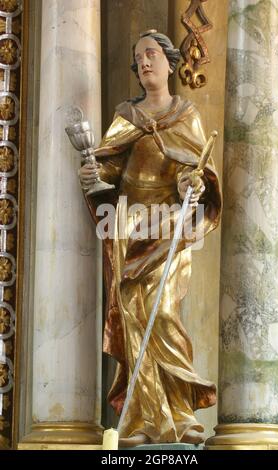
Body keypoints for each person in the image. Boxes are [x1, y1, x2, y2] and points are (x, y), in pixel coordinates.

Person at [79, 30, 222, 447]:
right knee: (133, 317)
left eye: (152, 55)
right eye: (138, 57)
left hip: (169, 227)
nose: (144, 63)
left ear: (170, 62)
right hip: (128, 225)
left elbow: (198, 173)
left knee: (163, 314)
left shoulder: (186, 114)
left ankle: (179, 414)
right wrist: (93, 176)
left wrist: (190, 187)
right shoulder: (126, 116)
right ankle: (142, 420)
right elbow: (107, 170)